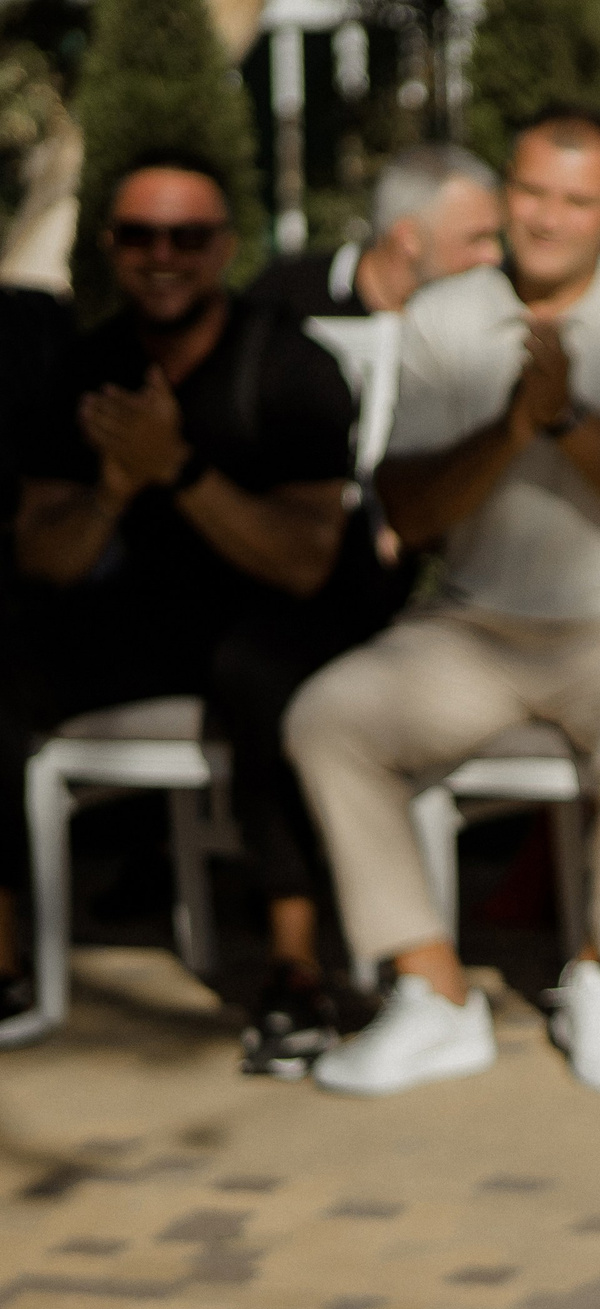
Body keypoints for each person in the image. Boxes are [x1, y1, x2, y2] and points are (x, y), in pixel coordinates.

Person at [285, 104, 600, 1097]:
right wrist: (511, 427)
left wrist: (565, 417)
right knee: (329, 714)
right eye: (529, 192)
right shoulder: (443, 317)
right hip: (474, 624)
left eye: (576, 200)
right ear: (502, 196)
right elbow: (407, 511)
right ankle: (430, 987)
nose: (547, 217)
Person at [0, 149, 390, 1064]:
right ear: (109, 247)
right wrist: (111, 489)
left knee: (266, 672)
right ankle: (5, 961)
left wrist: (177, 469)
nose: (162, 255)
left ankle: (295, 971)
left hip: (286, 614)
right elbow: (43, 557)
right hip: (146, 613)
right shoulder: (84, 368)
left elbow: (302, 564)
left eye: (186, 236)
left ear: (225, 248)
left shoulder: (293, 366)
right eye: (140, 235)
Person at [243, 143, 502, 318]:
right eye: (476, 239)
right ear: (408, 238)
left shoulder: (492, 310)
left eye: (496, 236)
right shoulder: (284, 300)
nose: (494, 255)